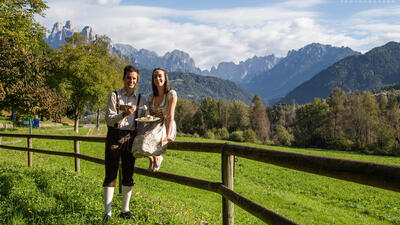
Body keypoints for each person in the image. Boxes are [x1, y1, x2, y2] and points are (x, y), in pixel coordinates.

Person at [102, 65, 145, 223]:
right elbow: (108, 119)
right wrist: (123, 114)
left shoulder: (141, 99)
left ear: (137, 80)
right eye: (129, 78)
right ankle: (108, 213)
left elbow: (141, 122)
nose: (131, 81)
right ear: (123, 78)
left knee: (128, 174)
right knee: (111, 173)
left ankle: (125, 210)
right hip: (114, 135)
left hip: (130, 137)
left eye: (134, 78)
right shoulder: (114, 95)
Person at [147, 67, 177, 171]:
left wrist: (168, 135)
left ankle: (158, 157)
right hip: (155, 124)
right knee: (137, 137)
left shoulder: (171, 94)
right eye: (155, 76)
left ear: (165, 78)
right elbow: (151, 117)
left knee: (151, 138)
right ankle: (152, 158)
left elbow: (170, 116)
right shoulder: (151, 97)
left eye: (160, 75)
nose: (157, 78)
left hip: (167, 125)